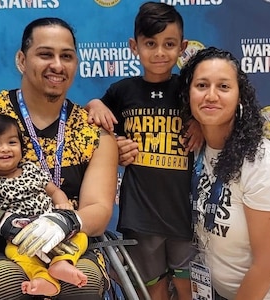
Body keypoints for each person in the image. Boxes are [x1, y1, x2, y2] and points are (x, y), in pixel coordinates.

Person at [0, 17, 118, 300]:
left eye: (67, 56)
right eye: (46, 54)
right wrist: (6, 222)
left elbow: (98, 210)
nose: (58, 65)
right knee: (4, 282)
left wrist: (64, 222)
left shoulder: (95, 131)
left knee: (81, 284)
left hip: (69, 246)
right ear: (22, 60)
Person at [85, 2, 202, 299]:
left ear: (182, 47)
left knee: (191, 289)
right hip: (141, 215)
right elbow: (94, 117)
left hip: (186, 213)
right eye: (150, 43)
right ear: (134, 46)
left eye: (169, 44)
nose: (160, 52)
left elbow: (217, 114)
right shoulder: (122, 91)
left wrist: (201, 123)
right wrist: (95, 105)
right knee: (153, 291)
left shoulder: (189, 90)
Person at [179, 47, 270, 300]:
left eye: (224, 87)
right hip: (220, 291)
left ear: (240, 97)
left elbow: (267, 266)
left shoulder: (263, 163)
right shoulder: (193, 147)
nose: (211, 95)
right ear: (188, 95)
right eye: (202, 85)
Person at [0, 113, 88, 297]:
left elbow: (53, 191)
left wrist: (62, 203)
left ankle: (61, 263)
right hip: (22, 239)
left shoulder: (31, 170)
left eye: (12, 142)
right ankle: (42, 279)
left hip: (53, 229)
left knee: (81, 237)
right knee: (20, 256)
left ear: (21, 147)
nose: (5, 149)